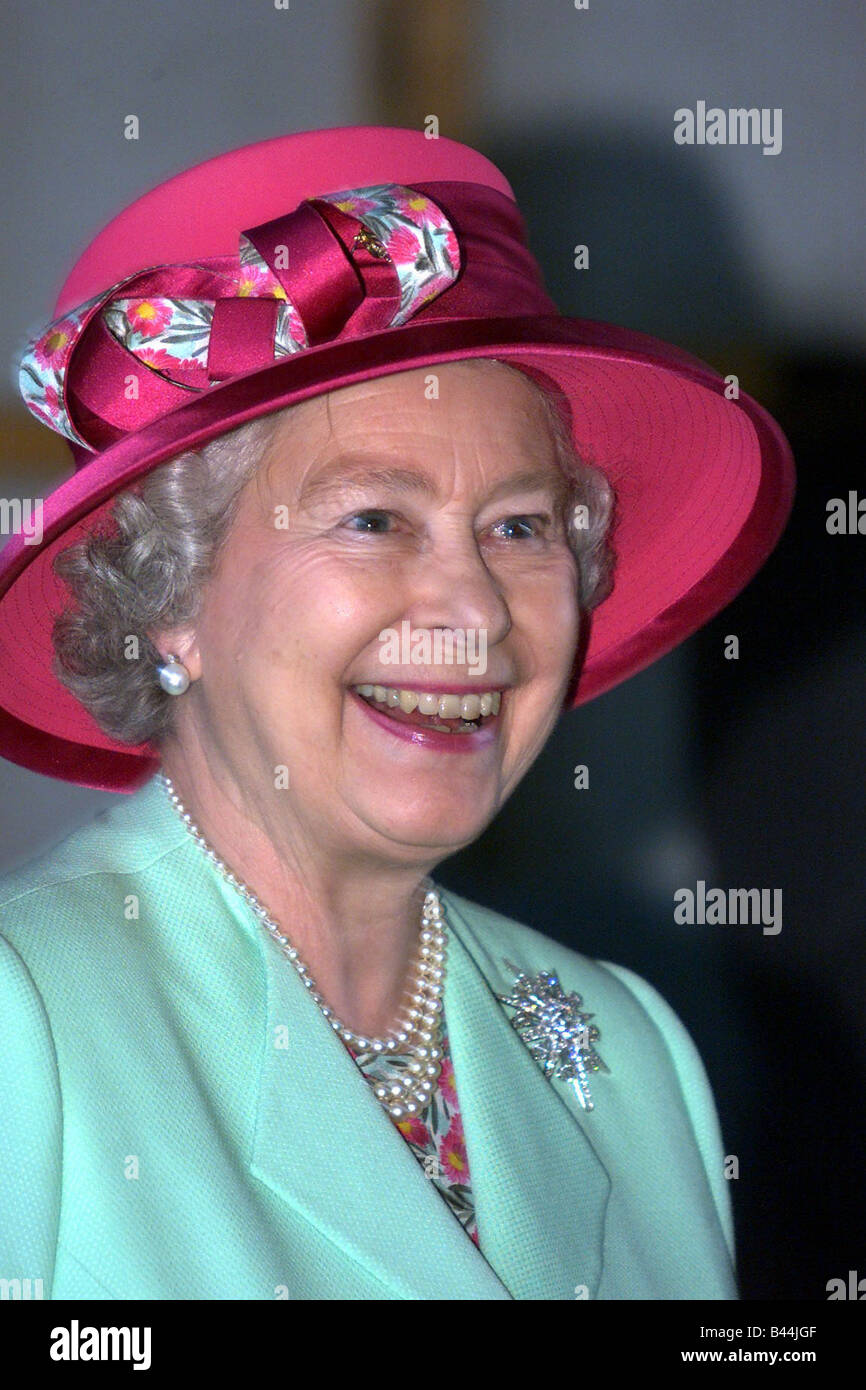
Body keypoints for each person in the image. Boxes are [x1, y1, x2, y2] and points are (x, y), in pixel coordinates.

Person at [0, 125, 794, 1300]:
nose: (471, 609)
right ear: (171, 598)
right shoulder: (32, 1022)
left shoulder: (629, 1047)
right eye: (373, 519)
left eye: (519, 528)